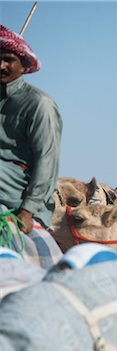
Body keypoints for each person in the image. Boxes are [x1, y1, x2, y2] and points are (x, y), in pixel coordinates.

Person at [0, 24, 62, 234]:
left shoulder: (39, 105)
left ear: (23, 65)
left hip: (19, 190)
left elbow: (47, 161)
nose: (1, 65)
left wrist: (27, 211)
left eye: (8, 59)